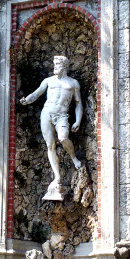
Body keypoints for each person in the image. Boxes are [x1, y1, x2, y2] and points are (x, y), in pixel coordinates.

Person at [19, 55, 83, 197]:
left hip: (62, 115)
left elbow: (78, 103)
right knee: (50, 145)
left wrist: (77, 120)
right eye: (54, 64)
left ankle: (73, 157)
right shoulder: (48, 81)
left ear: (65, 67)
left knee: (63, 138)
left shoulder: (73, 83)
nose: (54, 67)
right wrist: (27, 100)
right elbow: (37, 93)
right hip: (47, 113)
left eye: (57, 65)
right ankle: (57, 177)